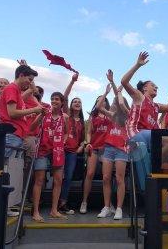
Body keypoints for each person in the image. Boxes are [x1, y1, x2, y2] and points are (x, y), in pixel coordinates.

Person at [121, 51, 168, 171]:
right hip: (136, 133)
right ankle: (158, 171)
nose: (156, 87)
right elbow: (124, 82)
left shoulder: (156, 106)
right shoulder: (139, 97)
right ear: (144, 88)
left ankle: (158, 171)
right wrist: (137, 65)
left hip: (149, 137)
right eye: (153, 85)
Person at [0, 62, 44, 217]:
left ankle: (7, 205)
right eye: (29, 79)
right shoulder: (11, 89)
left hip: (18, 135)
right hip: (12, 135)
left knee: (14, 171)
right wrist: (35, 110)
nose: (30, 83)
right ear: (21, 76)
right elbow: (11, 113)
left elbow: (30, 91)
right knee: (8, 170)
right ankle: (2, 205)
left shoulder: (17, 91)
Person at [96, 69, 130, 220]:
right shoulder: (112, 116)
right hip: (109, 149)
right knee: (105, 178)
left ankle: (120, 208)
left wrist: (114, 82)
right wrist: (106, 91)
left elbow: (120, 98)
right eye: (115, 103)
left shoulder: (128, 116)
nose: (115, 104)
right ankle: (107, 207)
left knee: (120, 179)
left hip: (122, 149)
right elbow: (98, 107)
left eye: (117, 102)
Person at [30, 92, 69, 222]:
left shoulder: (65, 117)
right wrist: (41, 114)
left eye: (57, 99)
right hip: (42, 150)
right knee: (39, 181)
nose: (54, 101)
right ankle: (35, 211)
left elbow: (66, 132)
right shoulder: (45, 112)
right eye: (52, 99)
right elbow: (32, 127)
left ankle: (54, 210)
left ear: (62, 102)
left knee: (58, 181)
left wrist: (62, 142)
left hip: (57, 151)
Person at [79, 95, 111, 214]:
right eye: (98, 100)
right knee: (90, 173)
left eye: (103, 100)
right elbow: (88, 132)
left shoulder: (110, 114)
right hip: (95, 147)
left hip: (107, 148)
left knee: (107, 177)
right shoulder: (93, 116)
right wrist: (88, 143)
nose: (100, 101)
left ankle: (108, 204)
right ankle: (84, 201)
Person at [58, 73, 85, 215]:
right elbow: (65, 97)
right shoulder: (66, 115)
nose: (77, 103)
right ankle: (54, 203)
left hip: (72, 153)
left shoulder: (82, 122)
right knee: (59, 176)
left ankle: (63, 203)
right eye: (75, 101)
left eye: (79, 102)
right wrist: (72, 82)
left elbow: (82, 139)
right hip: (61, 149)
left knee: (68, 177)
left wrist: (81, 147)